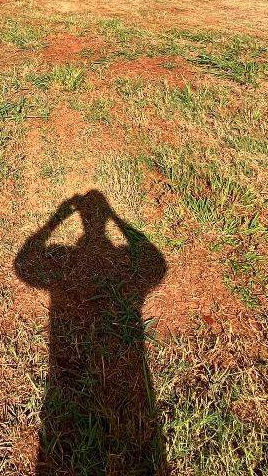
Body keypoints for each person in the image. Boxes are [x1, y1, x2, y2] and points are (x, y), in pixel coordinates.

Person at [14, 191, 168, 475]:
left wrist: (54, 221)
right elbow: (155, 264)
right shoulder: (121, 258)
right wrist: (117, 219)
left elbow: (24, 265)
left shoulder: (62, 257)